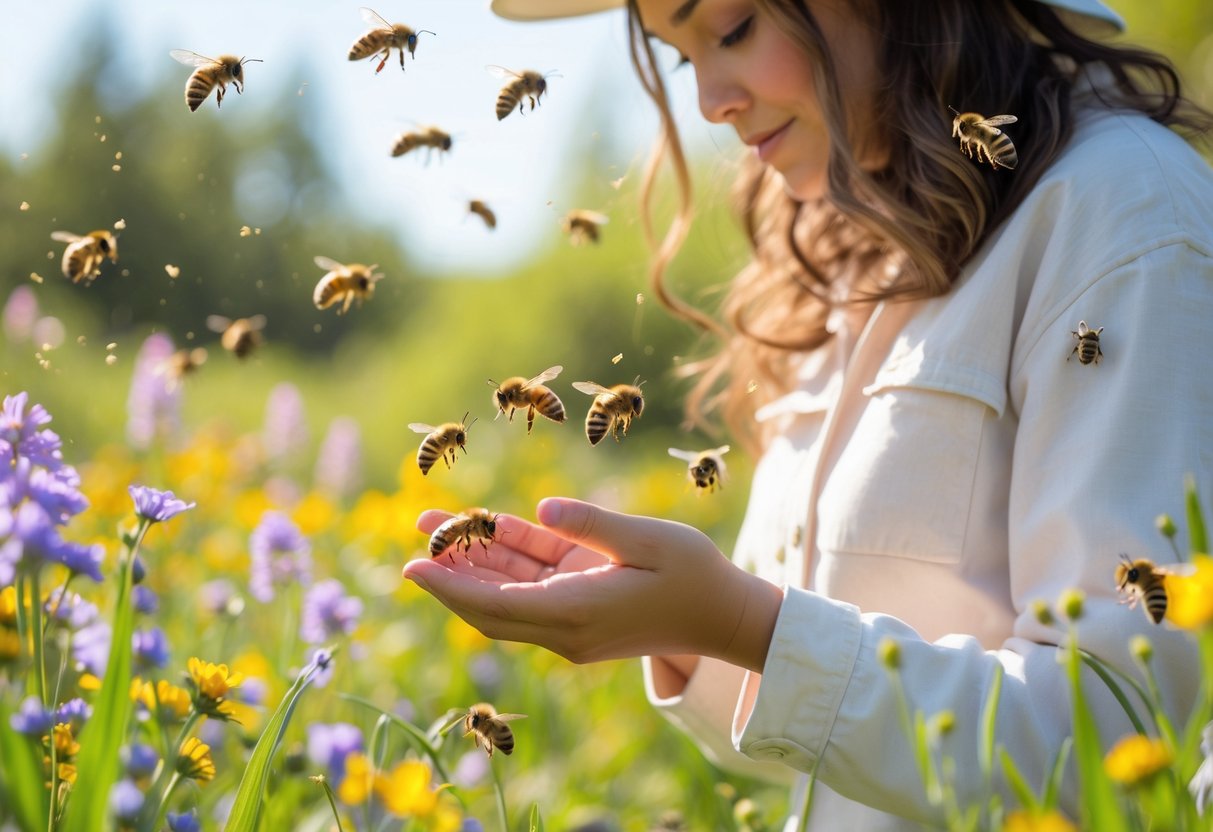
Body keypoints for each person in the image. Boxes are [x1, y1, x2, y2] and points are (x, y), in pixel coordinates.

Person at [403, 0, 1213, 827]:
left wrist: (745, 624)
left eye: (731, 29)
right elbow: (825, 739)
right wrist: (690, 633)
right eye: (682, 59)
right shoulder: (847, 243)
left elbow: (1128, 745)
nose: (709, 101)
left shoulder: (1123, 217)